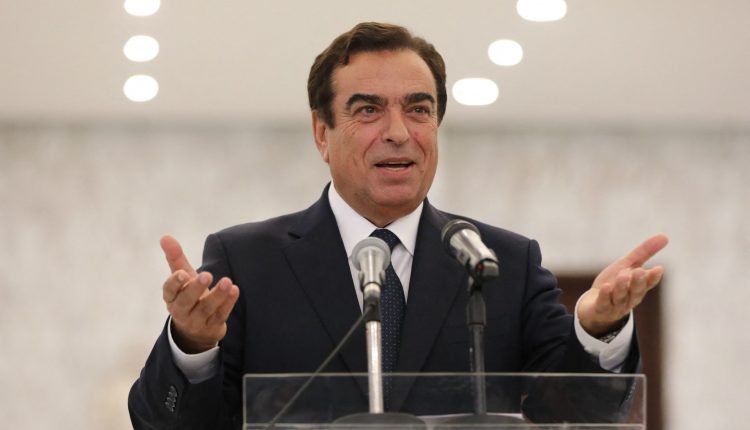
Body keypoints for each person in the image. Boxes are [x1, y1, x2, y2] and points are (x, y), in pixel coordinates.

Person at [128, 22, 667, 429]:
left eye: (418, 110)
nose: (398, 132)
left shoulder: (502, 261)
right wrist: (192, 345)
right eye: (368, 110)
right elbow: (164, 424)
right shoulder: (248, 261)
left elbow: (572, 412)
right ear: (322, 132)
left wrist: (597, 330)